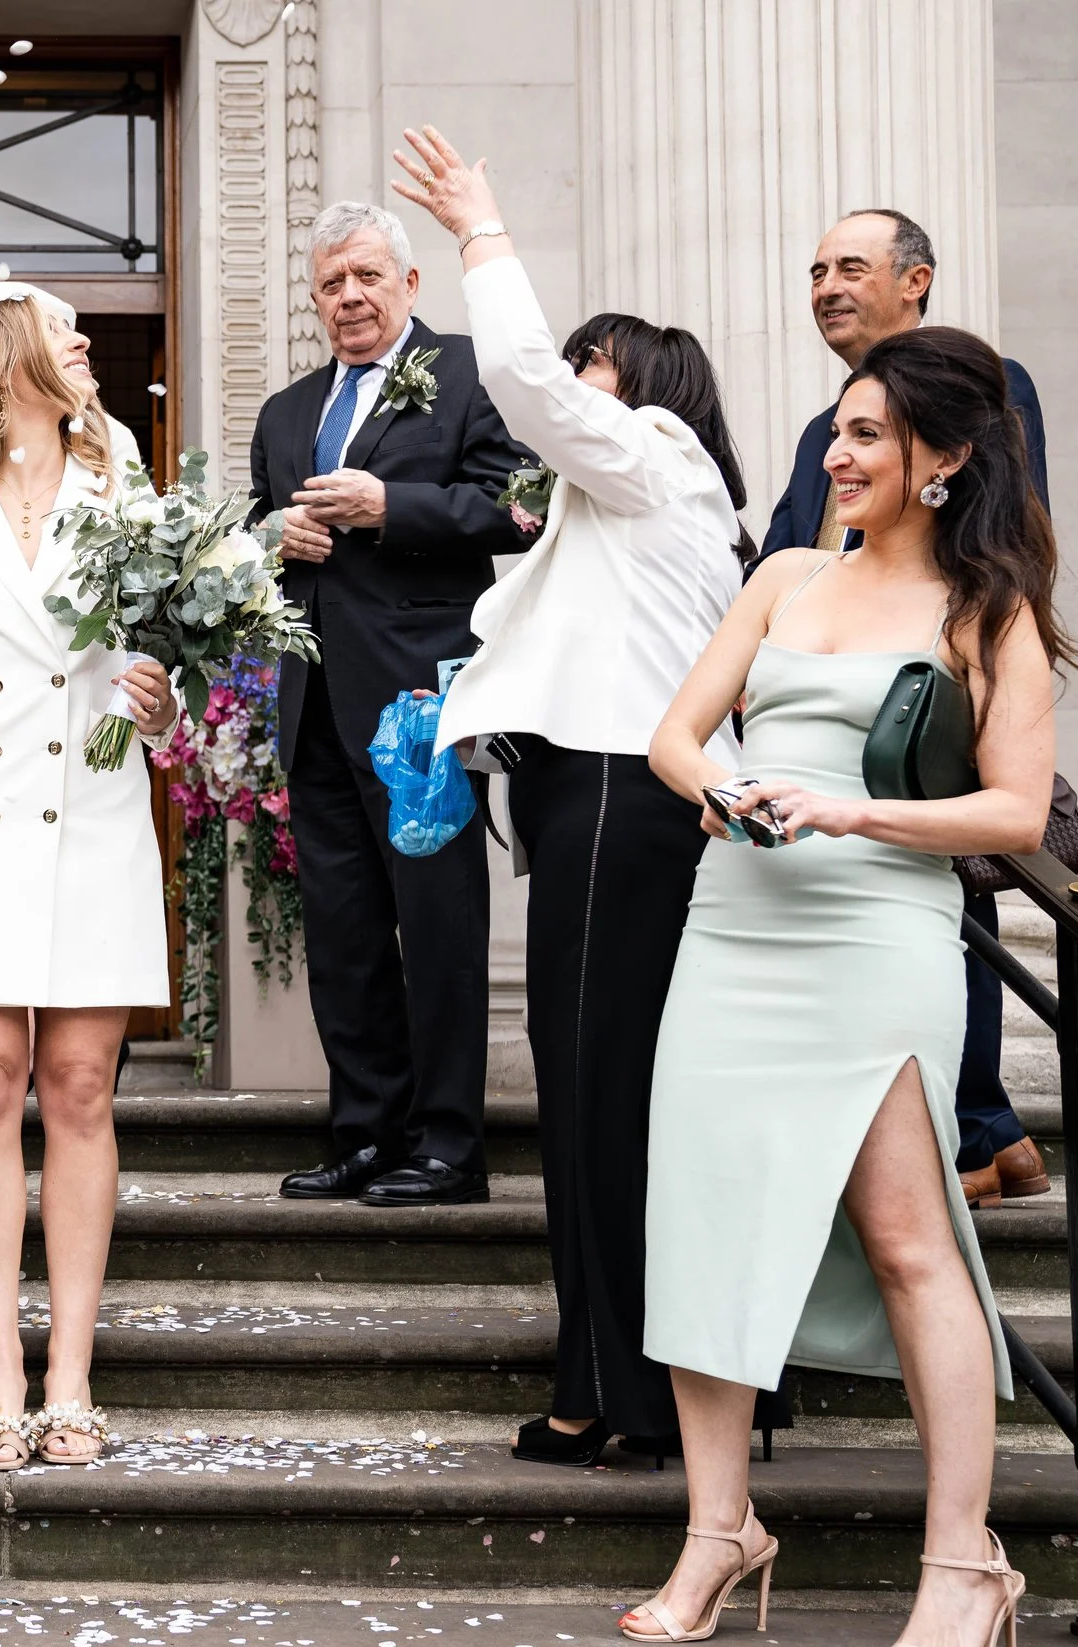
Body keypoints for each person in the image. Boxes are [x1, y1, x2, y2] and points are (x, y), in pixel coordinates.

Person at [636, 325, 1072, 1647]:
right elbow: (674, 732)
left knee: (908, 1238)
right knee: (703, 1225)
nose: (841, 449)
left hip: (880, 938)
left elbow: (1014, 812)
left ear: (943, 458)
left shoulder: (986, 611)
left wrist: (854, 809)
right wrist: (726, 795)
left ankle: (963, 1562)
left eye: (872, 431)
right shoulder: (780, 576)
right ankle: (720, 1528)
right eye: (840, 426)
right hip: (735, 929)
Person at [392, 126, 792, 1468]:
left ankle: (609, 1393)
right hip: (630, 802)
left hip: (621, 801)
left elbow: (512, 373)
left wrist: (480, 225)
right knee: (634, 1100)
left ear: (643, 387)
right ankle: (652, 1381)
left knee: (594, 1096)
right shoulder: (650, 502)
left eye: (592, 370)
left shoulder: (653, 452)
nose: (570, 386)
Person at [0, 282, 175, 1471]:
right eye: (69, 333)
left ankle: (73, 1372)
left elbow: (160, 663)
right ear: (15, 357)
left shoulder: (134, 499)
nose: (87, 349)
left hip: (97, 813)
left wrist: (148, 717)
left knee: (79, 1086)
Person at [761, 208, 1055, 1211]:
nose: (826, 286)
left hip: (928, 692)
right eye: (813, 271)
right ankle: (993, 1127)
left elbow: (1006, 542)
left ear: (916, 281)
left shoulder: (991, 392)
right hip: (831, 714)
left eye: (851, 266)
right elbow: (782, 556)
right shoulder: (819, 434)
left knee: (944, 897)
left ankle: (968, 1127)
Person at [250, 200, 533, 1208]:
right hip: (314, 706)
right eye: (331, 282)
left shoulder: (465, 374)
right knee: (344, 932)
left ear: (410, 285)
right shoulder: (286, 412)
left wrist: (392, 507)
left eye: (368, 276)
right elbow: (252, 528)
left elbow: (520, 505)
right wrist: (273, 534)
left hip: (420, 709)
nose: (350, 297)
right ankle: (365, 1133)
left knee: (439, 925)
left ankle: (450, 1145)